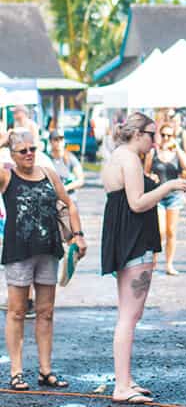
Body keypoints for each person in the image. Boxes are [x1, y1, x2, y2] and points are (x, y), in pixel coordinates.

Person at [101, 112, 186, 404]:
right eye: (152, 135)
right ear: (138, 133)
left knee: (129, 315)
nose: (155, 142)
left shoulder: (119, 156)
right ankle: (122, 386)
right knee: (128, 316)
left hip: (125, 241)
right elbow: (137, 203)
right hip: (133, 242)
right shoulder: (128, 158)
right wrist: (168, 186)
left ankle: (125, 380)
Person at [0, 129, 85, 392]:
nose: (29, 154)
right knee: (16, 312)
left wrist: (78, 236)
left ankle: (45, 370)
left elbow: (69, 204)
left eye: (32, 149)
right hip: (18, 252)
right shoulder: (6, 176)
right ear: (12, 154)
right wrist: (3, 140)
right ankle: (16, 372)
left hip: (49, 250)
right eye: (22, 150)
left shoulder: (48, 173)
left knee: (46, 313)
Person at [144, 124, 186, 276]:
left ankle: (169, 264)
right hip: (158, 194)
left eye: (169, 135)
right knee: (160, 231)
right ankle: (153, 260)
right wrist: (151, 176)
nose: (166, 138)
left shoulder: (177, 152)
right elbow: (145, 171)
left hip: (174, 196)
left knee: (172, 231)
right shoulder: (153, 152)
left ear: (174, 137)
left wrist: (177, 148)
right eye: (164, 135)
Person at [47, 131, 84, 196]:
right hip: (51, 197)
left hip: (69, 197)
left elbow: (80, 180)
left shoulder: (70, 158)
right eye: (56, 139)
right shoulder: (46, 159)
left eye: (61, 139)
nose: (59, 142)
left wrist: (66, 187)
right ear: (50, 142)